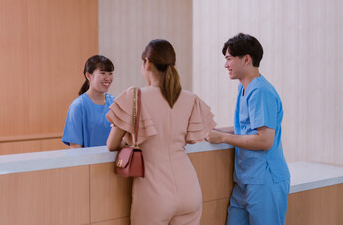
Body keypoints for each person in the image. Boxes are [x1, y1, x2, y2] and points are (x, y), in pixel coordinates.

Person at [106, 39, 216, 224]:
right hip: (190, 189)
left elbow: (111, 145)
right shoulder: (191, 99)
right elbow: (194, 137)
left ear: (147, 63)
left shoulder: (134, 96)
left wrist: (129, 139)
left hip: (154, 193)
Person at [206, 33, 290, 225]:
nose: (225, 65)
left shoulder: (261, 91)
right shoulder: (244, 88)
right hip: (245, 179)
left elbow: (264, 140)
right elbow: (244, 129)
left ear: (246, 59)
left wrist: (223, 138)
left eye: (229, 59)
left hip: (264, 180)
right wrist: (214, 131)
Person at [62, 55, 115, 148]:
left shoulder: (115, 103)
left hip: (116, 162)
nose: (107, 78)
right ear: (88, 76)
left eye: (110, 73)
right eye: (102, 73)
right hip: (90, 162)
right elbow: (75, 149)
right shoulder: (78, 106)